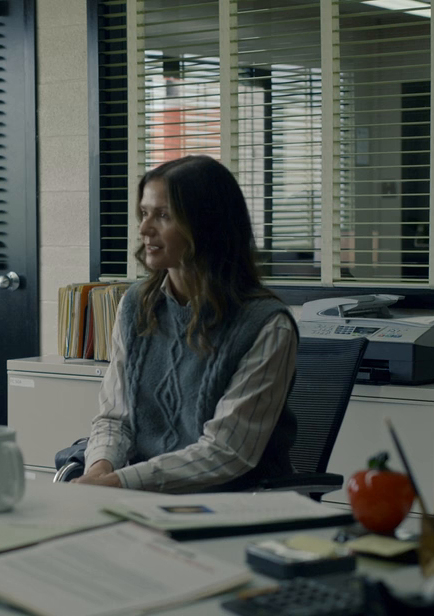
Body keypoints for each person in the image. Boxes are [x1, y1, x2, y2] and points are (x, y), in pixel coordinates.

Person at [73, 155, 299, 492]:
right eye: (144, 213)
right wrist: (99, 470)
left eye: (163, 215)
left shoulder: (266, 325)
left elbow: (226, 453)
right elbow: (115, 418)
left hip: (236, 502)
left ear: (207, 226)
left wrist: (118, 482)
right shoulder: (137, 305)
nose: (144, 229)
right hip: (140, 495)